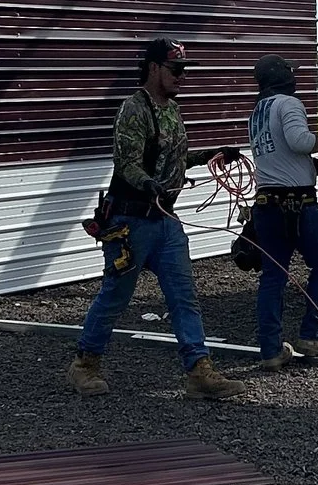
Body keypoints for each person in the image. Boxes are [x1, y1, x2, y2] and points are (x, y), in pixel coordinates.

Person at [70, 37, 243, 401]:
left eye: (183, 70)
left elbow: (173, 159)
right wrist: (149, 185)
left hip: (165, 223)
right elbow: (127, 164)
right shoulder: (133, 109)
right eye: (175, 69)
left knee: (184, 297)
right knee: (116, 295)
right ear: (153, 68)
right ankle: (85, 364)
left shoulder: (172, 110)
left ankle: (199, 370)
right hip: (131, 224)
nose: (182, 76)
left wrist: (210, 155)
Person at [246, 54, 318, 365]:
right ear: (283, 78)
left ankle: (271, 351)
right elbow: (299, 141)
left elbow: (281, 158)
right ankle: (313, 333)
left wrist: (313, 167)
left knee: (273, 276)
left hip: (267, 205)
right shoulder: (288, 104)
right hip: (299, 205)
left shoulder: (258, 111)